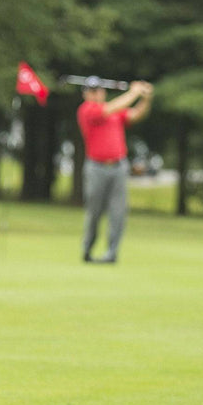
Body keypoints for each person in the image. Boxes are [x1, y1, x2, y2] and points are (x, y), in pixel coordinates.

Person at [77, 76, 154, 264]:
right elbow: (109, 108)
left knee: (118, 212)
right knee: (94, 212)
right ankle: (88, 249)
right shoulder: (87, 110)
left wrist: (146, 98)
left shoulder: (115, 112)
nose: (96, 94)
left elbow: (136, 114)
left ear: (103, 92)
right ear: (86, 94)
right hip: (96, 167)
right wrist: (134, 92)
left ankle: (112, 253)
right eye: (92, 91)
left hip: (119, 167)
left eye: (98, 90)